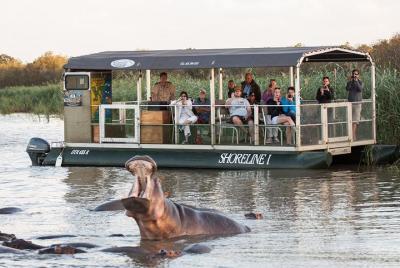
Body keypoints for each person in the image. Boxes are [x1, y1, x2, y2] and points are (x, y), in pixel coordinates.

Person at [346, 69, 363, 140]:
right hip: (350, 103)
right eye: (354, 74)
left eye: (356, 74)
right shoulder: (350, 82)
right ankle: (351, 136)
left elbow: (360, 89)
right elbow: (347, 89)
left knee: (355, 121)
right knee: (349, 120)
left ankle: (353, 136)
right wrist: (351, 81)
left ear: (358, 75)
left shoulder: (360, 82)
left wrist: (356, 81)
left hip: (357, 103)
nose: (355, 75)